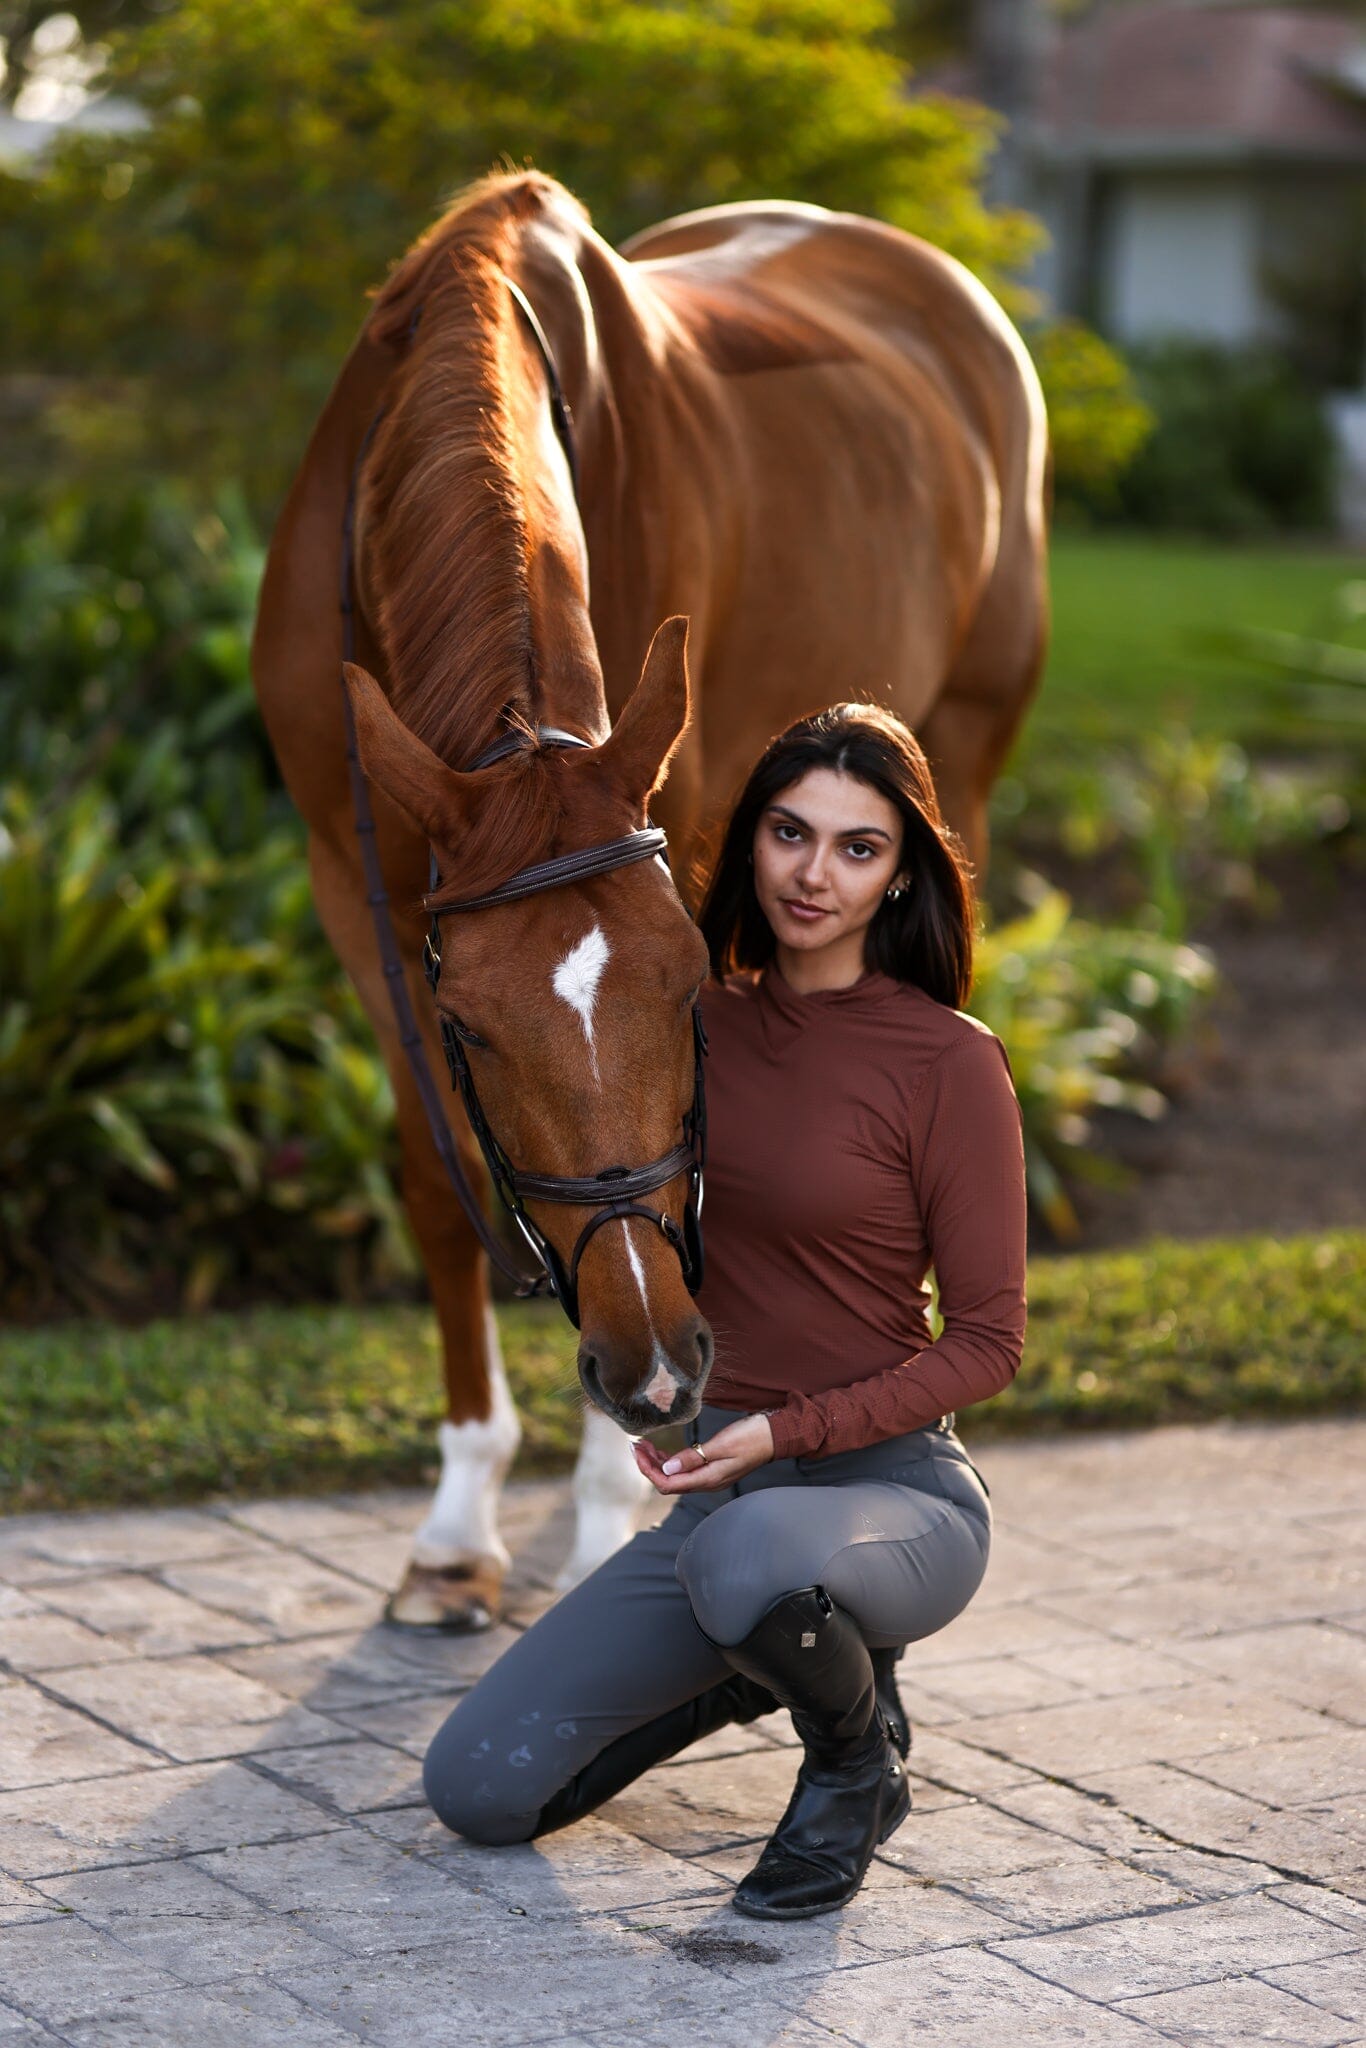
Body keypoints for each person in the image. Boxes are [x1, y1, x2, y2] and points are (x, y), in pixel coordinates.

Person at [422, 702, 1028, 1920]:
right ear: (747, 838)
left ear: (903, 869)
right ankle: (785, 1654)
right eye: (788, 832)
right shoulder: (683, 1019)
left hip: (891, 1496)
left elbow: (988, 1342)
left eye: (858, 847)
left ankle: (858, 1759)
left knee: (747, 1555)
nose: (813, 873)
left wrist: (784, 1434)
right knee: (474, 1785)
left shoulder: (948, 1061)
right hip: (730, 1510)